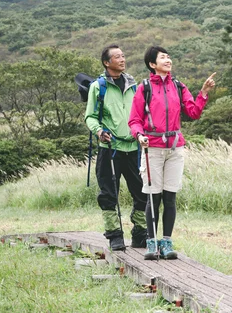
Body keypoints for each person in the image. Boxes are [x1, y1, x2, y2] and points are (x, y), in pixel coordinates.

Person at [129, 45, 216, 260]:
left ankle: (166, 243)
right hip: (152, 148)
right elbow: (134, 120)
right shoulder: (145, 87)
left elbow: (193, 113)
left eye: (169, 57)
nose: (168, 60)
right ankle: (151, 243)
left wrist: (203, 93)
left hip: (175, 147)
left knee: (170, 196)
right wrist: (139, 135)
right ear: (152, 64)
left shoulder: (178, 86)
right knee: (152, 197)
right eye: (163, 57)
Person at [84, 44, 148, 251]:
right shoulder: (98, 86)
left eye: (123, 56)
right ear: (106, 62)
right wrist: (99, 131)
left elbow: (140, 114)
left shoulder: (134, 85)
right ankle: (114, 235)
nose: (122, 59)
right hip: (109, 147)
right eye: (117, 57)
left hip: (133, 148)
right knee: (109, 192)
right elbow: (90, 117)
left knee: (141, 192)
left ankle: (140, 233)